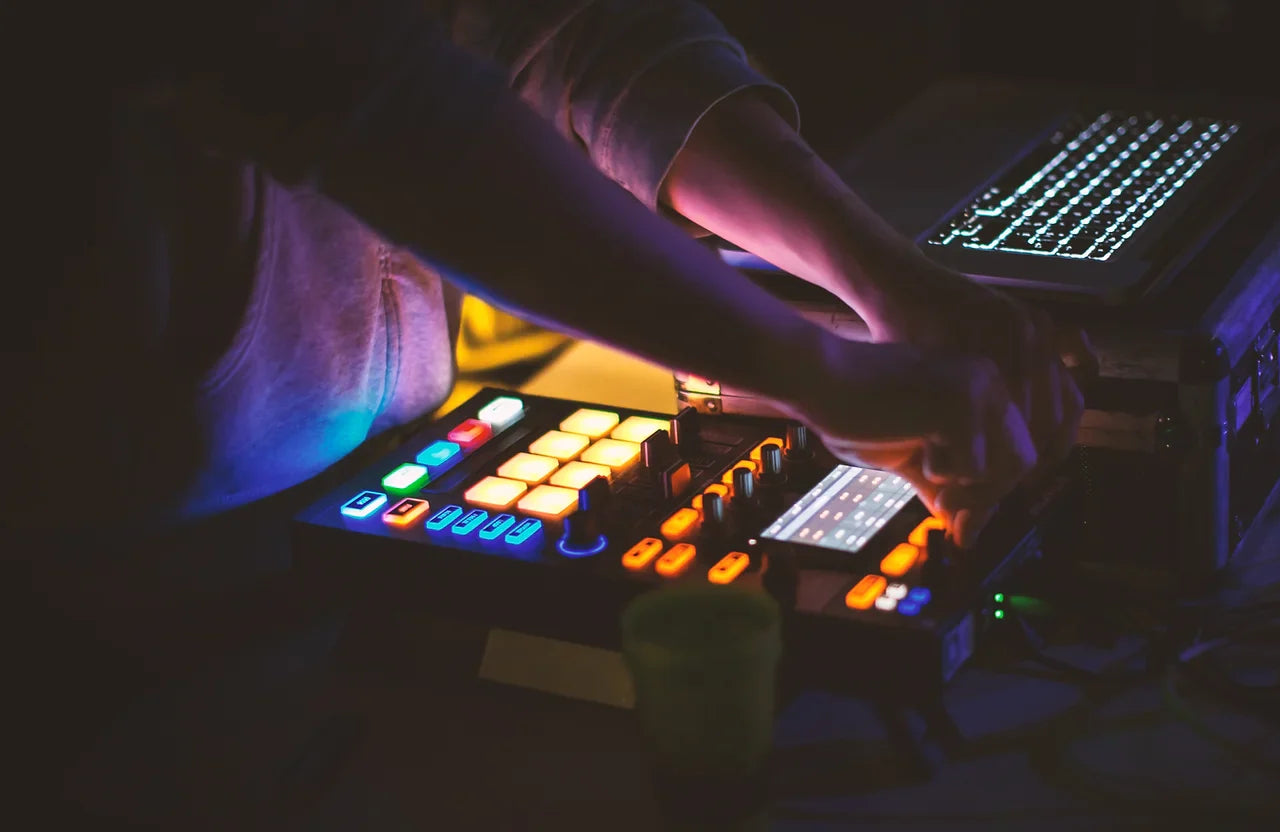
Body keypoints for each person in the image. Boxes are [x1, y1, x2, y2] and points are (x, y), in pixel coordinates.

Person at [13, 0, 1090, 824]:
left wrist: (882, 278)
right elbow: (367, 97)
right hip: (95, 643)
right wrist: (814, 368)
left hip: (358, 593)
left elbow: (580, 29)